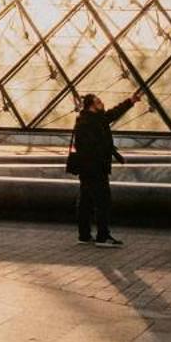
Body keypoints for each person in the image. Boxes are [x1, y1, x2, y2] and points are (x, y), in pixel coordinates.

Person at [71, 91, 138, 247]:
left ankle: (85, 235)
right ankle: (102, 237)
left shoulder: (91, 119)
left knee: (86, 201)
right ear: (92, 106)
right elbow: (90, 147)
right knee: (103, 201)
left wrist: (130, 101)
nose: (102, 103)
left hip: (88, 168)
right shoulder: (89, 123)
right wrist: (106, 151)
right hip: (95, 168)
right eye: (99, 102)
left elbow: (114, 113)